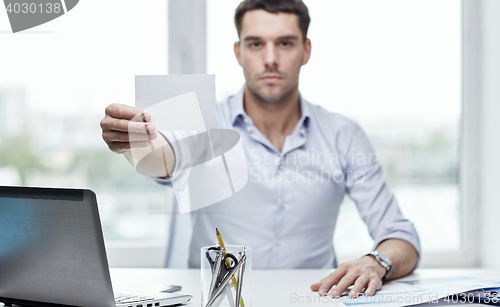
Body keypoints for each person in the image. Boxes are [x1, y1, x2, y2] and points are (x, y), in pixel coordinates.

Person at [100, 0, 420, 298]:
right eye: (256, 44)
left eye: (285, 43)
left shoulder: (343, 136)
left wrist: (377, 261)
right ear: (238, 52)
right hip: (217, 300)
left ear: (305, 50)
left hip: (312, 300)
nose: (270, 58)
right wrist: (135, 142)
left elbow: (401, 238)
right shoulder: (207, 123)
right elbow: (165, 158)